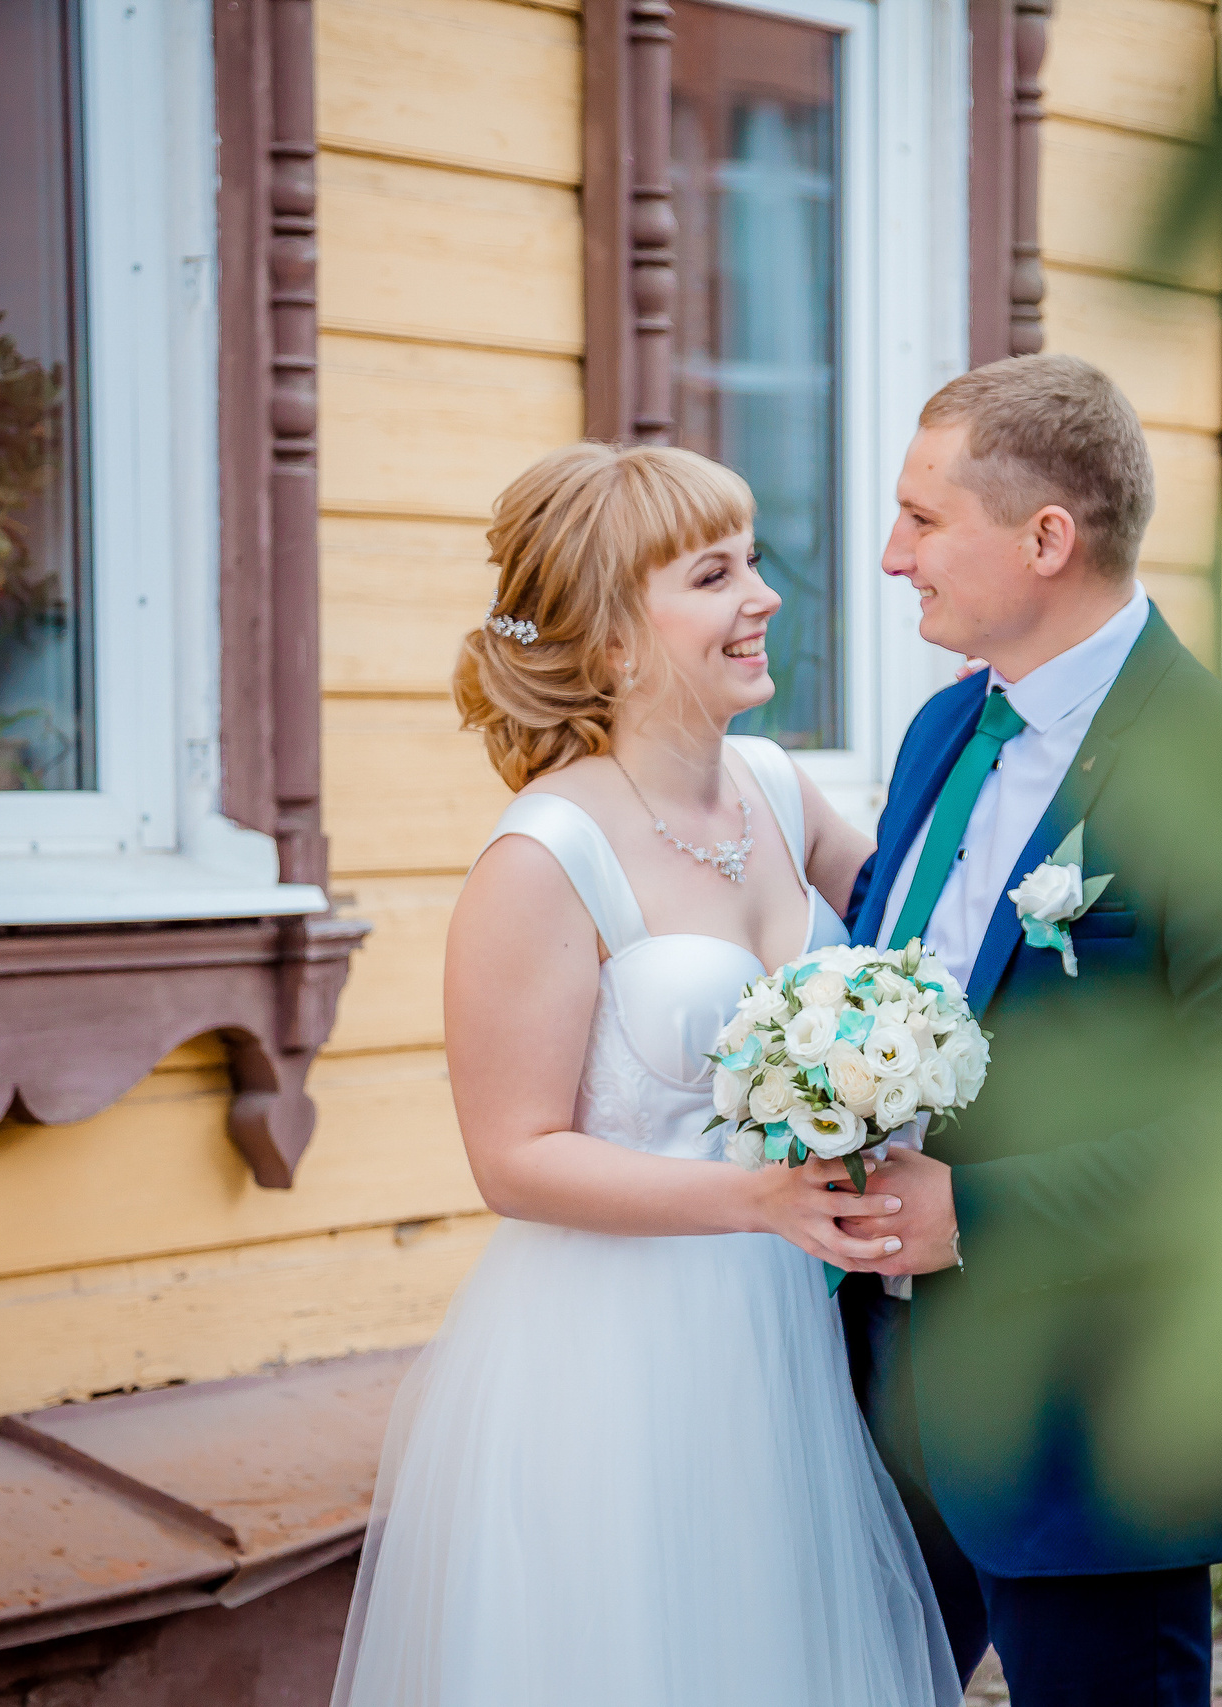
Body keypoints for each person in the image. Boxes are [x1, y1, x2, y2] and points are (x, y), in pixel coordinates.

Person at [330, 443, 958, 1706]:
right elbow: (512, 1159)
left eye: (755, 560)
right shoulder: (542, 857)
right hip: (618, 1354)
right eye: (716, 574)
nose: (763, 595)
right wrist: (761, 1202)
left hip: (788, 1333)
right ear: (616, 644)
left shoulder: (782, 791)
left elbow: (924, 952)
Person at [838, 355, 1222, 1706]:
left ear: (1046, 537)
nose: (894, 556)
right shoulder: (940, 733)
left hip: (1094, 1417)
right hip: (877, 1393)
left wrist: (983, 1213)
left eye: (921, 518)